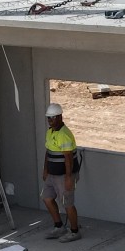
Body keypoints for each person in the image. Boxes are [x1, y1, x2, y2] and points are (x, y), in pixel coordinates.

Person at [41, 102, 82, 242]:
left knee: (67, 203)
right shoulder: (50, 132)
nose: (50, 120)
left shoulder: (64, 134)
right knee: (47, 197)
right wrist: (45, 169)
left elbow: (68, 158)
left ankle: (74, 231)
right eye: (48, 118)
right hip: (52, 174)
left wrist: (69, 178)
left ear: (59, 117)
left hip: (64, 175)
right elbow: (48, 152)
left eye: (52, 118)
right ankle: (59, 227)